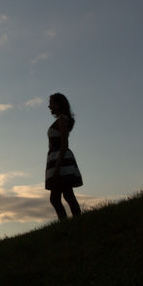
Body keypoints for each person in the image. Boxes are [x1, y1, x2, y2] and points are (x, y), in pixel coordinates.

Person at [47, 92, 83, 220]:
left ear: (58, 104)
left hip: (61, 161)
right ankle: (70, 222)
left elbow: (64, 143)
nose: (49, 106)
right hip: (56, 159)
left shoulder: (62, 120)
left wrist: (57, 166)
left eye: (51, 103)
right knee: (62, 196)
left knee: (60, 197)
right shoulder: (61, 119)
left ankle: (70, 222)